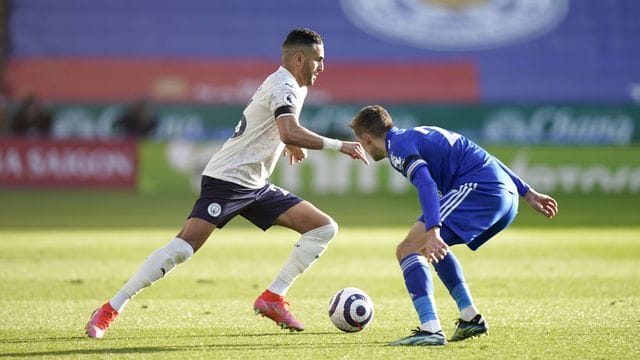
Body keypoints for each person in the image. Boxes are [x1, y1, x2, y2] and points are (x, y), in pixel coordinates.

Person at [85, 28, 369, 339]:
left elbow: (278, 126)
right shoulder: (285, 85)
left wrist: (288, 142)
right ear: (300, 58)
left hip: (255, 184)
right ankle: (110, 309)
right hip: (227, 180)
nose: (323, 67)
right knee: (181, 249)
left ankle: (273, 298)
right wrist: (338, 145)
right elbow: (288, 129)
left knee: (323, 228)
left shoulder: (294, 85)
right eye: (319, 60)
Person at [348, 105, 558, 346]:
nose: (363, 146)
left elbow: (426, 184)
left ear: (366, 138)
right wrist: (525, 191)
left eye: (360, 142)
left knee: (407, 249)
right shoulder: (414, 135)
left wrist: (433, 230)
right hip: (502, 194)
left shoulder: (397, 148)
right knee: (431, 249)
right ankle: (470, 318)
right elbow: (483, 154)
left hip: (480, 190)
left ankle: (430, 329)